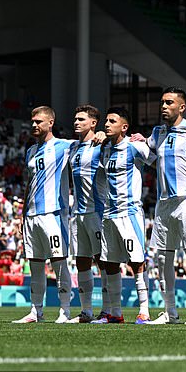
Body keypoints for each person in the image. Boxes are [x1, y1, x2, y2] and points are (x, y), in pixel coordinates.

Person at [142, 87, 186, 325]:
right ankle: (170, 312)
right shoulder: (157, 132)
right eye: (162, 102)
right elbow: (147, 150)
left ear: (182, 107)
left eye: (169, 102)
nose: (163, 106)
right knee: (162, 259)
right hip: (163, 204)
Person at [13, 106, 75, 323]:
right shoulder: (30, 151)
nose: (34, 125)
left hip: (53, 214)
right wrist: (22, 215)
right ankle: (35, 311)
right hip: (31, 216)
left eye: (39, 121)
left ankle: (65, 310)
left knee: (59, 261)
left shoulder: (64, 146)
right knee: (36, 264)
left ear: (50, 123)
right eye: (32, 121)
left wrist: (99, 134)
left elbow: (88, 142)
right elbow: (29, 184)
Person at [95, 107, 156, 324]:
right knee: (110, 263)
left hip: (129, 214)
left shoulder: (134, 147)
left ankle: (144, 310)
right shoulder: (104, 150)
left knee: (136, 262)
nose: (107, 124)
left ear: (124, 127)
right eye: (106, 121)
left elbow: (158, 161)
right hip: (109, 215)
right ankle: (115, 312)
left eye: (112, 121)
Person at [67, 105, 108, 323]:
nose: (76, 122)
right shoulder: (72, 147)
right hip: (77, 214)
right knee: (81, 261)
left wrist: (105, 135)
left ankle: (108, 310)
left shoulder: (101, 145)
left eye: (81, 119)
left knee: (103, 261)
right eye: (75, 119)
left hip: (97, 212)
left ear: (93, 123)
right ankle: (86, 311)